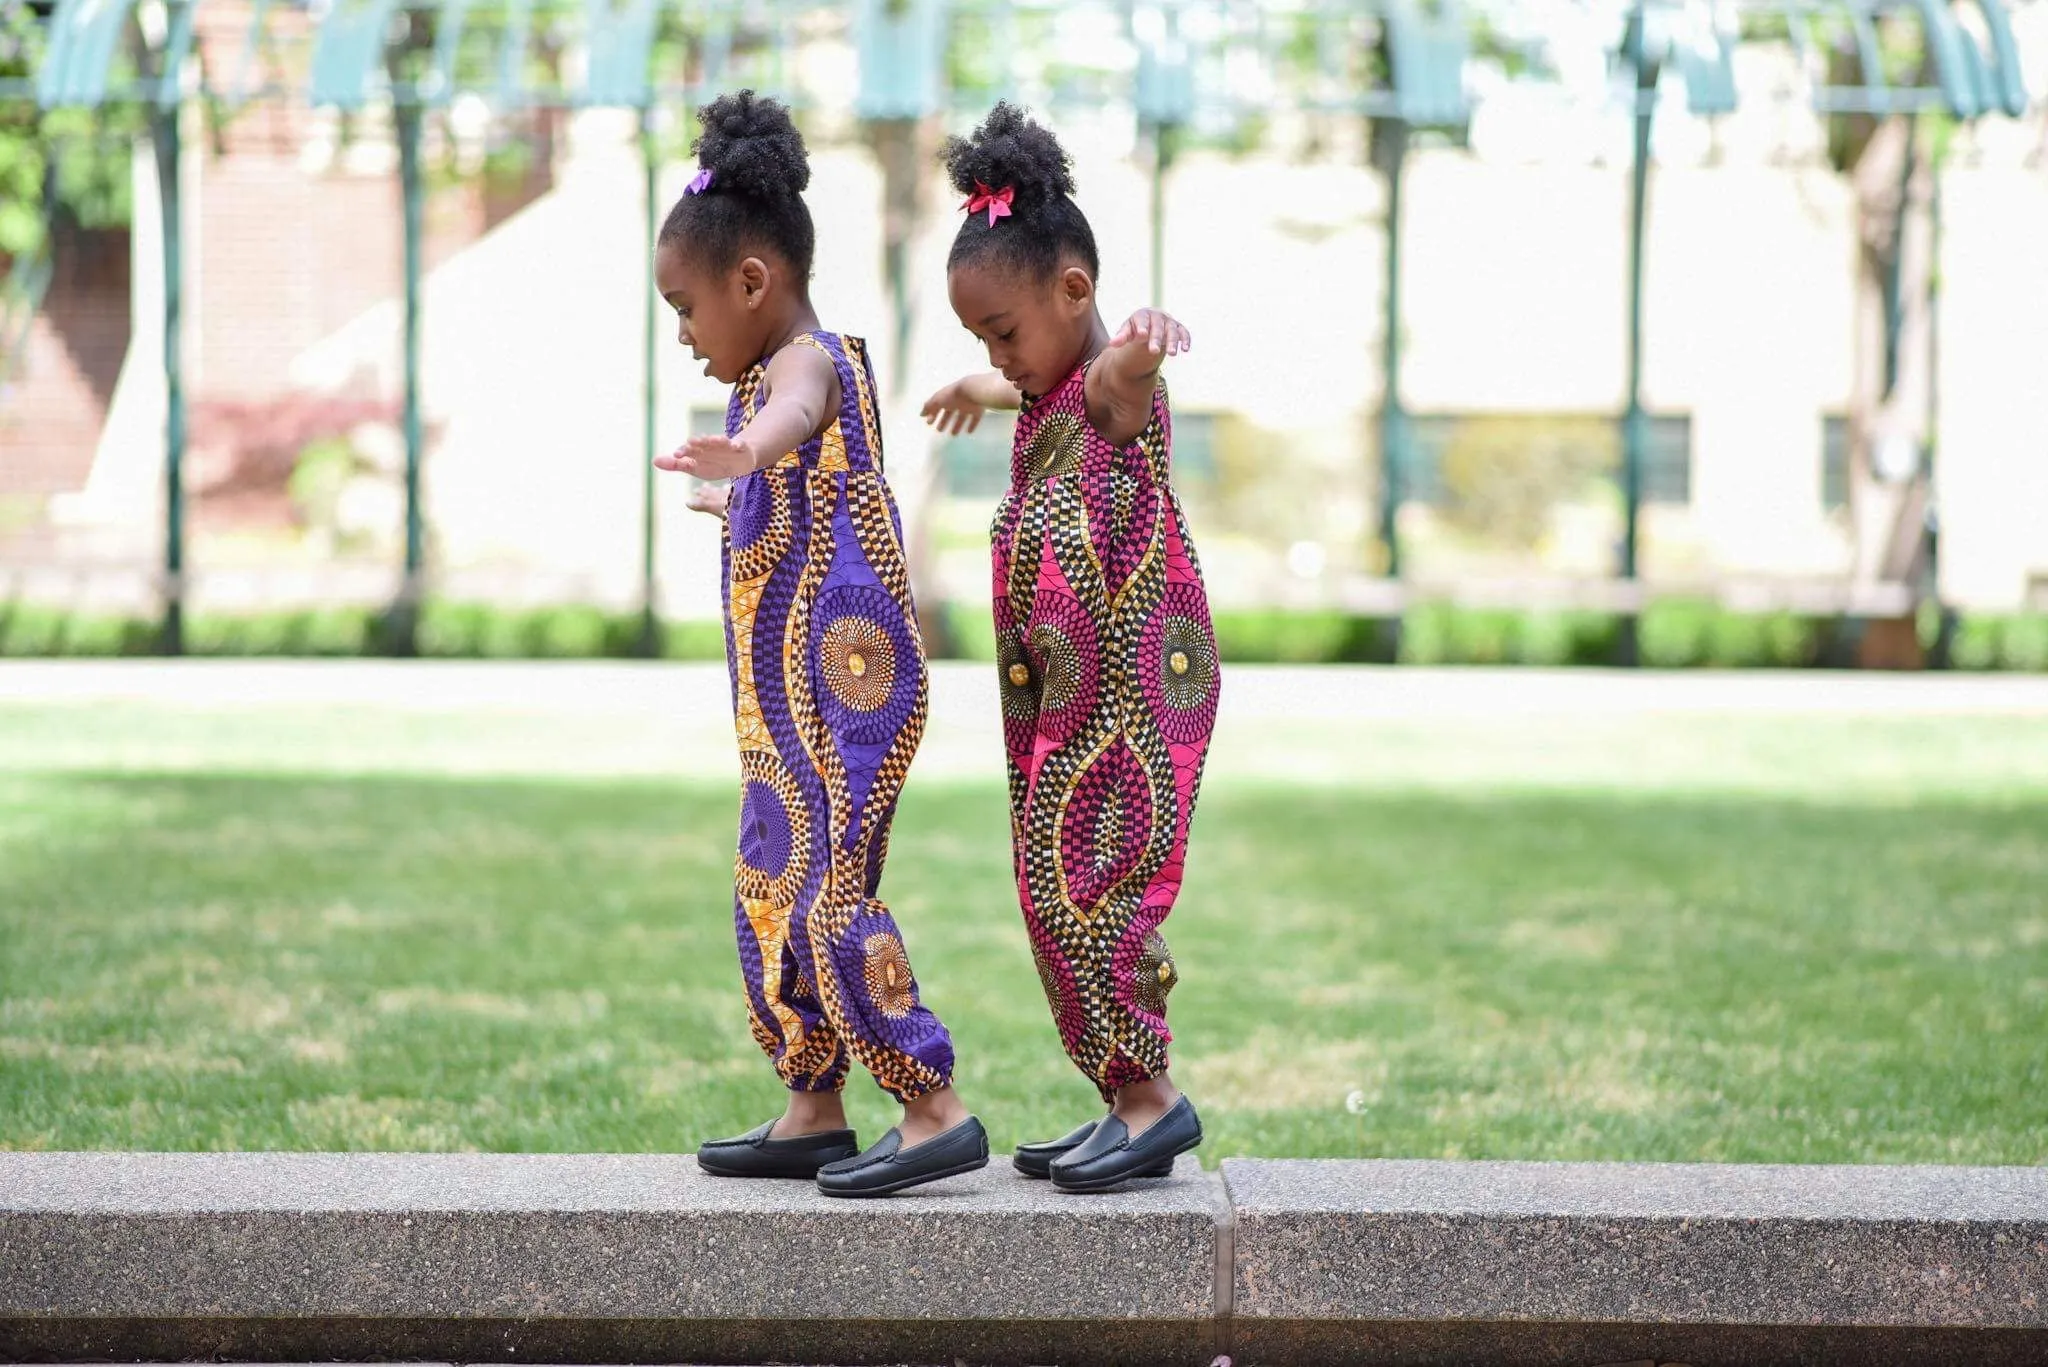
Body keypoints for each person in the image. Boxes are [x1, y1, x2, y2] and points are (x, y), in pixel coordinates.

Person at [655, 90, 986, 1197]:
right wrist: (742, 500)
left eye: (686, 306)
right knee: (769, 877)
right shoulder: (762, 377)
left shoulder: (806, 366)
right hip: (780, 706)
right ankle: (812, 1100)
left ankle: (931, 1103)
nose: (684, 333)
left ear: (753, 281)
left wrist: (750, 451)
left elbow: (793, 412)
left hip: (847, 694)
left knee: (828, 887)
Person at [921, 102, 1217, 1193]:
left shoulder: (1101, 388)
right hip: (1067, 685)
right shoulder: (1043, 383)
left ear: (1074, 294)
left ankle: (1150, 1101)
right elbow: (1036, 377)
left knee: (1094, 888)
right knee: (1051, 886)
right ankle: (1119, 1096)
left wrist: (1143, 339)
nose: (997, 353)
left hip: (1133, 685)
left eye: (1001, 332)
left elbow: (1118, 376)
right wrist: (980, 383)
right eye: (978, 339)